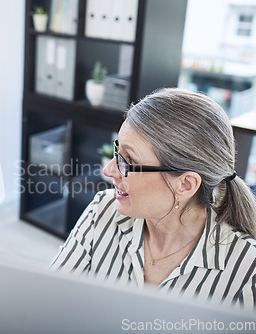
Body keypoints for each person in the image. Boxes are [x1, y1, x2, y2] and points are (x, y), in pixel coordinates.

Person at [51, 88, 256, 311]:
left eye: (128, 161)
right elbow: (48, 301)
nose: (109, 170)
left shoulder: (247, 270)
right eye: (117, 151)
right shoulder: (102, 209)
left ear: (186, 184)